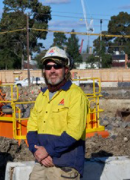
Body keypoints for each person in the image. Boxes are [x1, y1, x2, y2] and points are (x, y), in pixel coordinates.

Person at [27, 47, 88, 180]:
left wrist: (47, 150)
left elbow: (74, 131)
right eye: (48, 67)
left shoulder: (76, 95)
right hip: (42, 162)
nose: (52, 70)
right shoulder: (42, 96)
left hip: (64, 165)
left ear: (66, 69)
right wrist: (36, 150)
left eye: (57, 66)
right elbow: (31, 127)